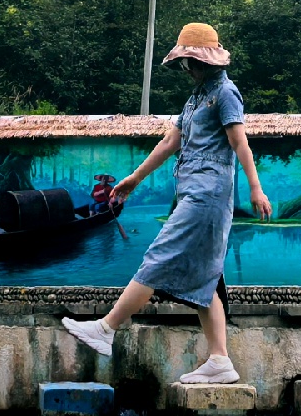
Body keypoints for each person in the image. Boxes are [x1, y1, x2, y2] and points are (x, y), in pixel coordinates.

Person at [62, 22, 271, 384]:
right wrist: (134, 178)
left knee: (161, 255)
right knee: (206, 276)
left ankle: (107, 328)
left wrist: (256, 189)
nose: (184, 68)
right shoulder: (196, 98)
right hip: (192, 191)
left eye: (187, 62)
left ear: (200, 60)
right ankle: (220, 361)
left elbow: (240, 143)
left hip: (208, 194)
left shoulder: (226, 93)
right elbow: (169, 142)